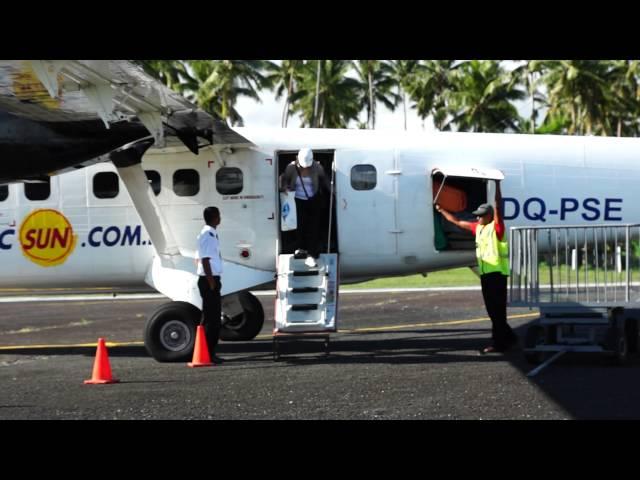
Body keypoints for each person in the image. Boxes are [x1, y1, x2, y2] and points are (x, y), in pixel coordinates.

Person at [435, 182, 518, 354]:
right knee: (492, 311)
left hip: (497, 274)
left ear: (489, 216)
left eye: (481, 215)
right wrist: (441, 209)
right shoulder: (478, 228)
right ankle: (508, 337)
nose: (478, 218)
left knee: (497, 311)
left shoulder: (496, 228)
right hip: (486, 275)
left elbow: (498, 206)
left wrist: (497, 187)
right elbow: (456, 221)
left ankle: (500, 343)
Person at [279, 147, 331, 267]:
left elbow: (324, 180)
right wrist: (285, 188)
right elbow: (284, 180)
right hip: (297, 200)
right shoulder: (291, 167)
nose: (305, 167)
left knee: (313, 227)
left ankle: (312, 254)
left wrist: (332, 191)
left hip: (313, 199)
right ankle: (301, 249)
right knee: (299, 226)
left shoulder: (317, 167)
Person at [196, 206, 225, 364]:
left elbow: (199, 258)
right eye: (218, 215)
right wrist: (211, 282)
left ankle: (205, 351)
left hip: (209, 279)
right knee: (212, 319)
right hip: (209, 280)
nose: (220, 218)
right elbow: (205, 259)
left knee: (210, 316)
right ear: (214, 217)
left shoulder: (208, 233)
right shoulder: (208, 235)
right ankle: (209, 352)